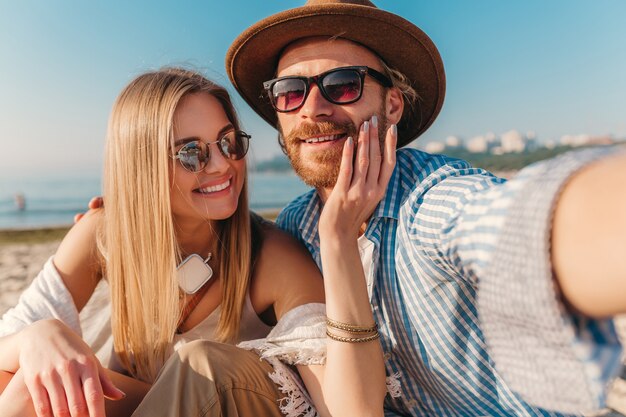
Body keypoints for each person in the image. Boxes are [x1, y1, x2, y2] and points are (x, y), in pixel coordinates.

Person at [221, 0, 626, 415]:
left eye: (343, 85)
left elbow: (524, 224)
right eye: (290, 92)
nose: (311, 108)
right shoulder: (294, 227)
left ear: (392, 106)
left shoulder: (431, 201)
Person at [0, 67, 399, 417]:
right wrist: (38, 336)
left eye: (229, 142)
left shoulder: (271, 258)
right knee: (27, 384)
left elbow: (351, 409)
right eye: (191, 153)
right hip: (136, 401)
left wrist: (338, 239)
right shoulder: (104, 233)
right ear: (143, 167)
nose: (223, 164)